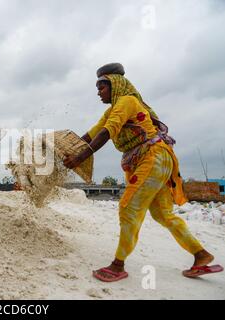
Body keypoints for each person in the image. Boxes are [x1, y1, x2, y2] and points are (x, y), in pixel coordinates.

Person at [63, 63, 223, 282]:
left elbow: (106, 133)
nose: (98, 92)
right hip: (155, 159)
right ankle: (201, 254)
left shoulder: (126, 101)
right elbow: (91, 135)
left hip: (152, 157)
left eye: (102, 87)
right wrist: (65, 149)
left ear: (115, 85)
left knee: (128, 207)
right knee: (162, 214)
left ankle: (118, 265)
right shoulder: (112, 110)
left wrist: (79, 158)